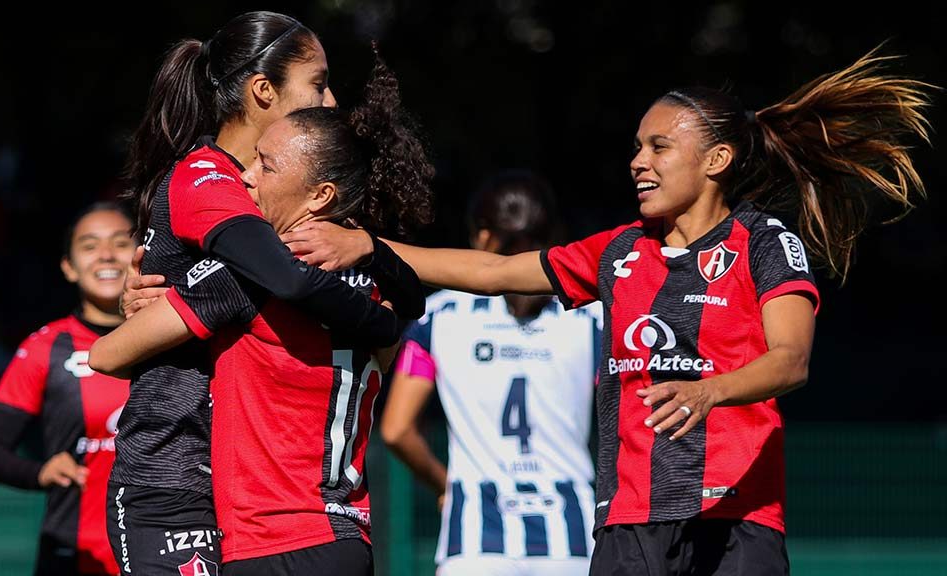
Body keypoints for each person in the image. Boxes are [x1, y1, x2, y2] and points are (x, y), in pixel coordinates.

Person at [281, 48, 933, 574]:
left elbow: (790, 360)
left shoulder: (763, 244)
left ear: (717, 161)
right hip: (626, 529)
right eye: (636, 148)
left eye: (657, 148)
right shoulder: (619, 252)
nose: (637, 162)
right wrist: (368, 245)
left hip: (734, 522)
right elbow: (494, 271)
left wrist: (712, 391)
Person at [97, 11, 423, 576]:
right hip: (174, 474)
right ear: (264, 91)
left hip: (246, 496)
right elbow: (287, 279)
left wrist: (370, 250)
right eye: (317, 83)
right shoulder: (210, 179)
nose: (329, 101)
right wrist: (384, 325)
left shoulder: (284, 204)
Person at [381, 171, 602, 575]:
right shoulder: (591, 320)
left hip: (474, 540)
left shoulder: (439, 317)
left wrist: (446, 485)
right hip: (571, 536)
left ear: (481, 239)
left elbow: (396, 429)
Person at [0, 203, 136, 576]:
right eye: (90, 246)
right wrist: (41, 472)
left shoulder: (182, 335)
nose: (107, 255)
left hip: (164, 551)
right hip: (74, 554)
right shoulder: (44, 347)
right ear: (68, 266)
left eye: (120, 243)